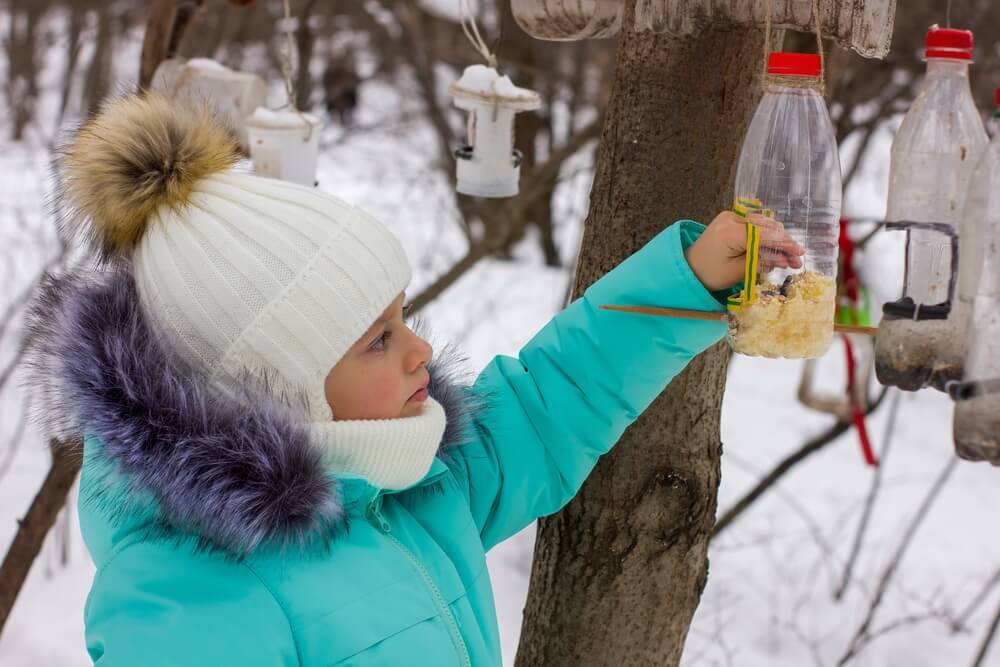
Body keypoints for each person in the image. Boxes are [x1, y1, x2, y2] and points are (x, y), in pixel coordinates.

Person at [26, 93, 802, 666]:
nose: (419, 350)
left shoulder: (413, 481)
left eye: (405, 317)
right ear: (274, 391)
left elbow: (547, 401)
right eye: (379, 339)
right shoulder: (185, 594)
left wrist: (686, 282)